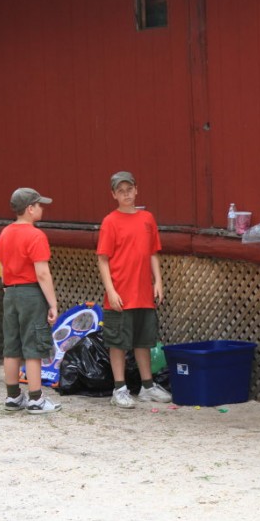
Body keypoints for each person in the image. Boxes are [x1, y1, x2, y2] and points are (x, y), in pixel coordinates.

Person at [97, 171, 172, 408]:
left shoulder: (147, 218)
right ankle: (119, 388)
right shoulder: (110, 221)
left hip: (143, 292)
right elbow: (103, 259)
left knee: (144, 341)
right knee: (118, 342)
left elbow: (152, 253)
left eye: (129, 189)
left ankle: (147, 386)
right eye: (121, 190)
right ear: (113, 194)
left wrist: (158, 281)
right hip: (120, 293)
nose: (126, 194)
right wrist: (111, 290)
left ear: (136, 190)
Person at [0, 188, 61, 414]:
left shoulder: (4, 233)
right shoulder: (35, 235)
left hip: (10, 292)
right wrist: (52, 303)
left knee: (12, 346)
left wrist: (7, 289)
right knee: (33, 346)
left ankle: (13, 396)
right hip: (31, 293)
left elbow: (2, 267)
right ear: (30, 209)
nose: (42, 208)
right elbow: (42, 273)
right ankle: (36, 399)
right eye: (39, 205)